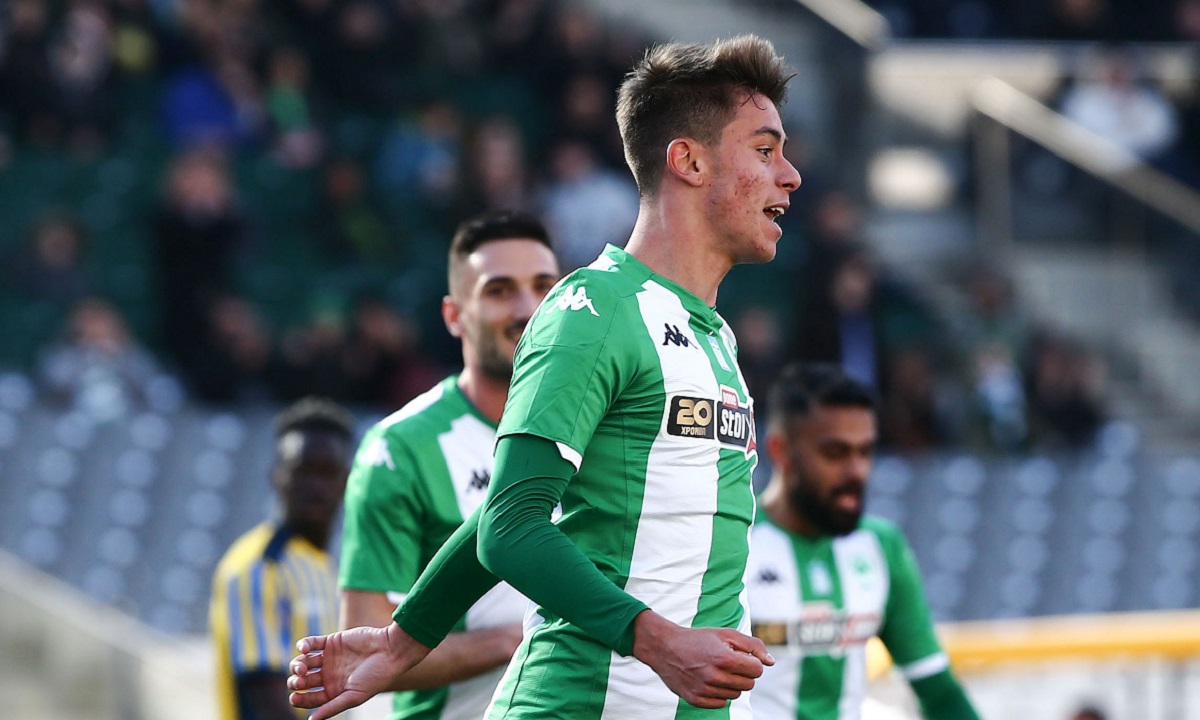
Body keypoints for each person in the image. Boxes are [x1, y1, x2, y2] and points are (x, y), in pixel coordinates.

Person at [287, 33, 801, 719]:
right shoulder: (596, 308)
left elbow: (506, 505)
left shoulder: (715, 336)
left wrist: (403, 641)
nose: (789, 175)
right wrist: (658, 642)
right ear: (688, 161)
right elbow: (511, 524)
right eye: (764, 150)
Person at [337, 210, 560, 719]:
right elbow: (364, 648)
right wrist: (522, 639)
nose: (528, 308)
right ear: (454, 315)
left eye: (544, 287)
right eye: (499, 291)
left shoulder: (607, 431)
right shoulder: (402, 448)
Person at [749, 362, 980, 719]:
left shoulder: (881, 546)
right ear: (780, 451)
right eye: (835, 453)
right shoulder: (735, 543)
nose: (856, 471)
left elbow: (937, 689)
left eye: (865, 452)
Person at [210, 397, 356, 720]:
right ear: (277, 475)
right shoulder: (258, 566)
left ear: (345, 480)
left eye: (328, 472)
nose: (315, 486)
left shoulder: (322, 564)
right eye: (303, 470)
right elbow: (265, 702)